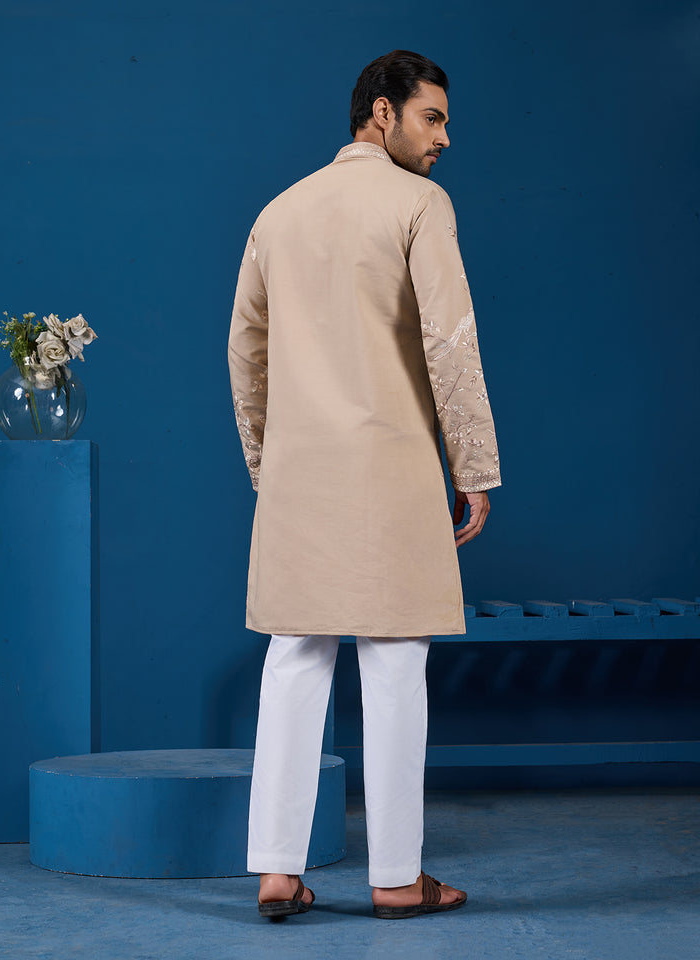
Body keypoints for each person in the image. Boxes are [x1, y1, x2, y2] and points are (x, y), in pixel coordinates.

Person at [228, 49, 501, 920]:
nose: (444, 138)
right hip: (390, 472)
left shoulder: (280, 211)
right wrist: (474, 468)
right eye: (433, 118)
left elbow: (247, 354)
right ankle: (394, 879)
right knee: (393, 665)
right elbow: (450, 345)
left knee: (294, 657)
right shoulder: (419, 205)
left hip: (301, 475)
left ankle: (275, 869)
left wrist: (267, 464)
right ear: (380, 114)